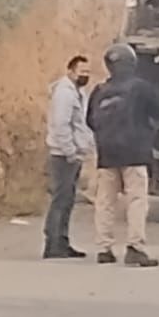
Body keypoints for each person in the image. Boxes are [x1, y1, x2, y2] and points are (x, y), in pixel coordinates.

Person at [85, 43, 159, 268]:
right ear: (132, 63)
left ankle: (104, 249)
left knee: (105, 202)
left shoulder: (99, 91)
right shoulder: (141, 88)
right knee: (136, 200)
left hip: (107, 154)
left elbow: (90, 121)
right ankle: (135, 247)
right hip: (135, 152)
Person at [42, 53, 94, 260]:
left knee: (67, 199)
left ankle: (62, 242)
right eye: (81, 71)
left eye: (88, 72)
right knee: (61, 199)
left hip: (74, 154)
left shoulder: (78, 92)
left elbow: (80, 123)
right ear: (71, 71)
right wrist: (70, 151)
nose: (85, 75)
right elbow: (61, 125)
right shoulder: (64, 93)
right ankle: (53, 243)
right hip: (63, 155)